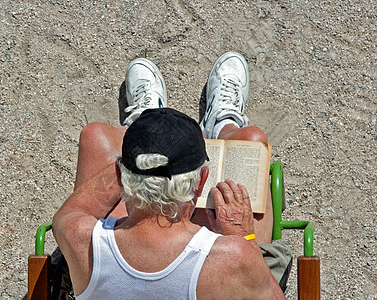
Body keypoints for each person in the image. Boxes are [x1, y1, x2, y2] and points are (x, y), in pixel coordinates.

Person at [52, 52, 291, 299]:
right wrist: (244, 236)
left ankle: (143, 118)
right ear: (200, 183)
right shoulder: (234, 257)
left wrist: (140, 157)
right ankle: (224, 123)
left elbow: (68, 213)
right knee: (251, 140)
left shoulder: (79, 236)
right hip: (215, 275)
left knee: (96, 135)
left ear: (124, 176)